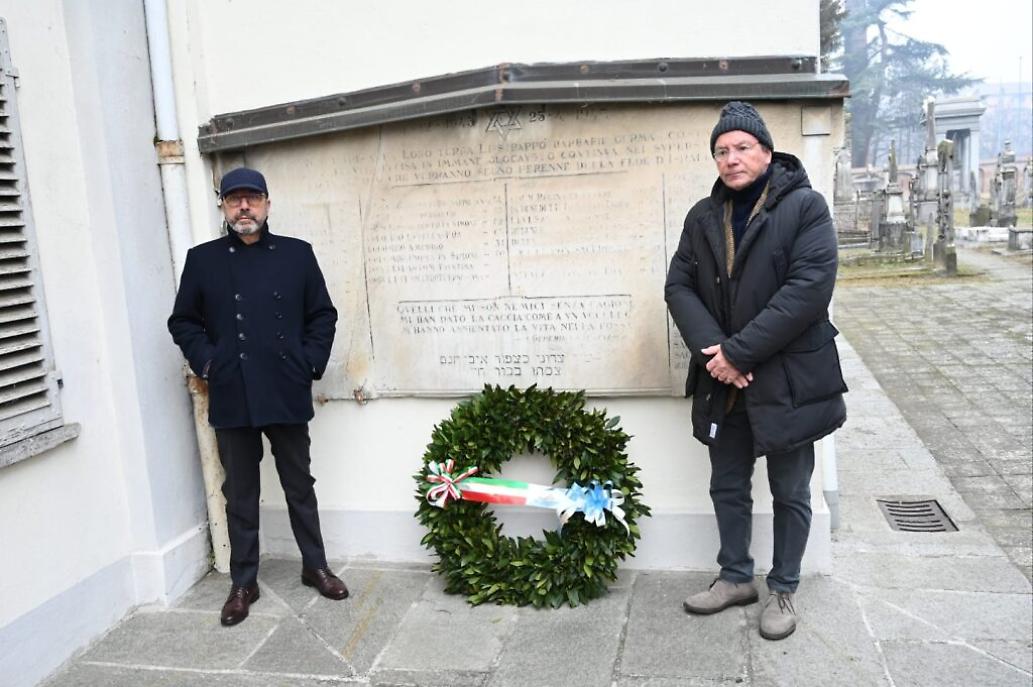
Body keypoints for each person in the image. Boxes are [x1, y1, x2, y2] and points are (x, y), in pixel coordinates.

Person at [665, 102, 847, 640]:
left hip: (788, 380)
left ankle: (785, 589)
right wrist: (715, 353)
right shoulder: (702, 216)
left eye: (742, 147)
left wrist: (739, 354)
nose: (731, 158)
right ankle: (735, 577)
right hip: (723, 378)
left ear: (767, 152)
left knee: (792, 489)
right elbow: (678, 287)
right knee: (727, 483)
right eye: (721, 150)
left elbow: (808, 290)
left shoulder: (806, 207)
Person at [169, 167, 348, 626]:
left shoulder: (297, 255)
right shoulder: (202, 259)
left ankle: (315, 566)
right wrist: (209, 364)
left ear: (267, 204)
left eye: (251, 199)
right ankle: (243, 582)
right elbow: (183, 322)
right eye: (234, 200)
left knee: (299, 486)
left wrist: (308, 363)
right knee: (240, 495)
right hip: (233, 393)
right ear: (224, 208)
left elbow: (322, 315)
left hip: (286, 389)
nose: (243, 207)